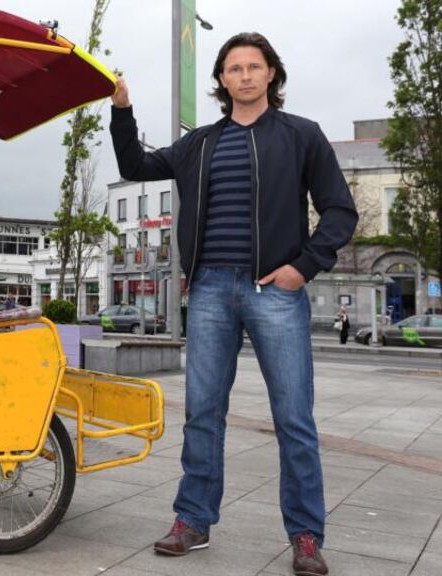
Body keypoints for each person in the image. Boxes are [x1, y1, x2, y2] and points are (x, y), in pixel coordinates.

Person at [109, 33, 357, 576]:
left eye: (254, 66)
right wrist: (121, 109)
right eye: (233, 68)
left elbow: (339, 212)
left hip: (275, 290)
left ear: (271, 74)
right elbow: (134, 164)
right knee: (202, 413)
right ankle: (192, 520)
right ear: (221, 80)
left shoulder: (302, 137)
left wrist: (303, 267)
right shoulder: (199, 143)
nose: (244, 75)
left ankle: (306, 536)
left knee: (293, 417)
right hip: (212, 291)